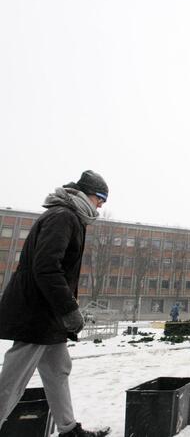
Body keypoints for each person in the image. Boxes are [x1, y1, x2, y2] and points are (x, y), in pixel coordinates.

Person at [0, 170, 111, 437]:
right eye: (100, 198)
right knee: (13, 380)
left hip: (47, 315)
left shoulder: (70, 216)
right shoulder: (64, 217)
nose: (100, 205)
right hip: (36, 314)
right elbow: (47, 267)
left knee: (58, 369)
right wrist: (69, 309)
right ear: (86, 194)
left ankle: (68, 428)